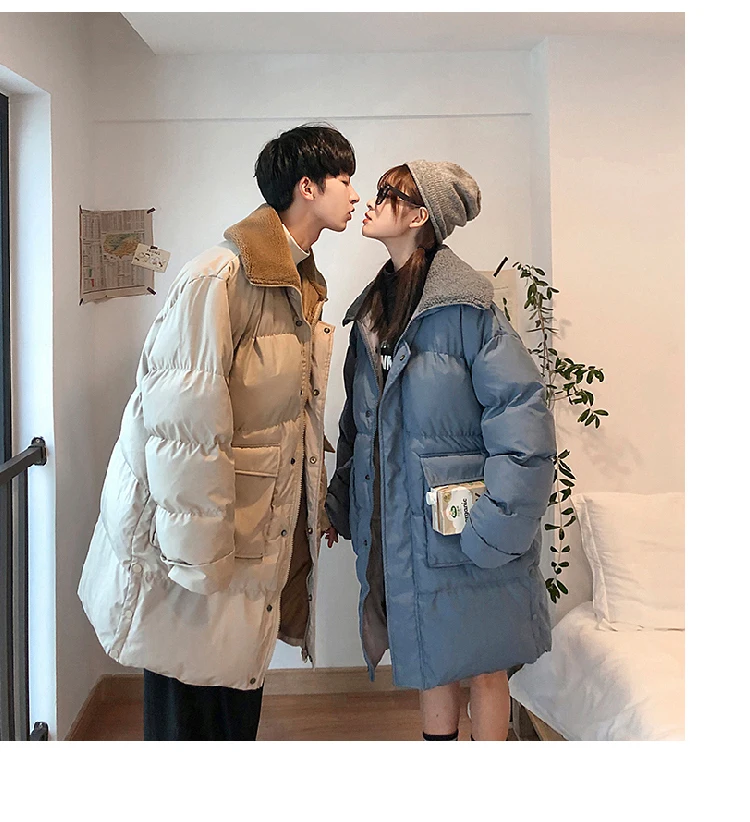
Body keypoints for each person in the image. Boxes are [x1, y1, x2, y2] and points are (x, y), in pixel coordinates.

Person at [78, 124, 360, 740]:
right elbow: (183, 431)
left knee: (233, 703)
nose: (355, 195)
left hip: (248, 533)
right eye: (345, 180)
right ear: (306, 187)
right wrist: (198, 564)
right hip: (203, 547)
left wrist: (314, 503)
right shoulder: (220, 276)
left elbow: (288, 418)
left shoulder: (299, 283)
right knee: (189, 708)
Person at [324, 161, 556, 741]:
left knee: (485, 664)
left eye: (388, 193)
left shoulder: (471, 311)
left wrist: (497, 528)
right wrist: (340, 503)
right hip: (410, 531)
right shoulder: (371, 315)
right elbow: (358, 425)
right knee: (429, 656)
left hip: (470, 532)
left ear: (420, 216)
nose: (372, 200)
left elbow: (524, 425)